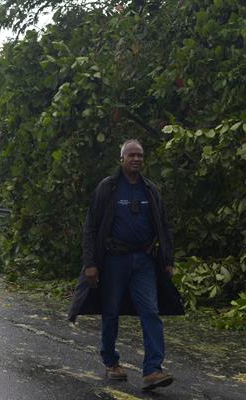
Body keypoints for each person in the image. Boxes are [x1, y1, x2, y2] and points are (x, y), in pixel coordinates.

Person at [68, 139, 184, 390]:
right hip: (113, 260)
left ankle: (153, 370)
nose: (136, 159)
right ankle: (111, 362)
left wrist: (167, 260)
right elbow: (91, 226)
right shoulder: (108, 189)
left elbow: (164, 226)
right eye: (131, 155)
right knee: (110, 312)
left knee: (151, 311)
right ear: (121, 159)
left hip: (143, 261)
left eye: (140, 155)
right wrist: (90, 263)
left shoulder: (150, 190)